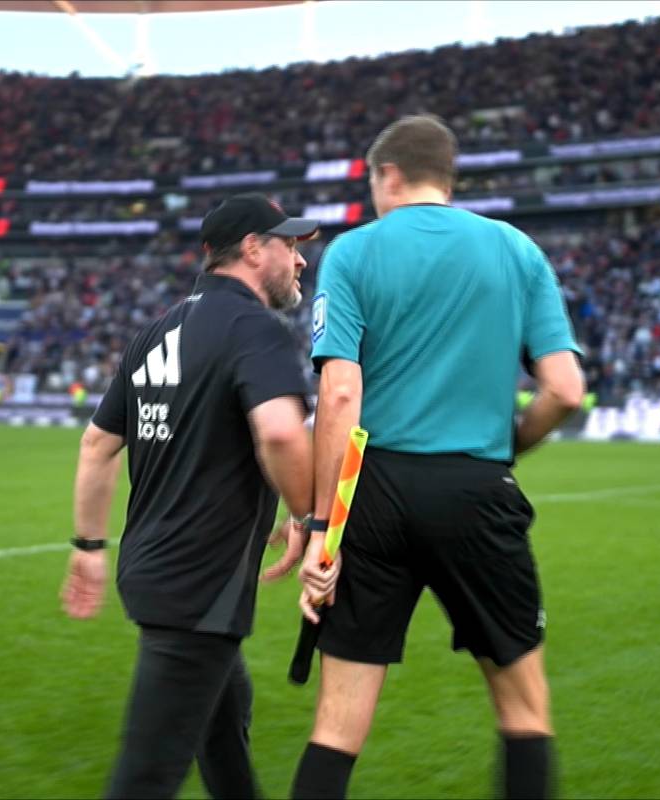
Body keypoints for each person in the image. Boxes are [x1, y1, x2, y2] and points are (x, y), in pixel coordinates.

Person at [292, 115, 585, 800]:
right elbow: (565, 390)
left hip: (374, 495)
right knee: (524, 711)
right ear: (444, 177)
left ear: (387, 174)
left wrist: (318, 528)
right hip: (477, 486)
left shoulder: (355, 252)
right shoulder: (516, 249)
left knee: (337, 728)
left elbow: (338, 395)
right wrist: (506, 446)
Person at [59, 193, 322, 799]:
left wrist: (89, 545)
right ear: (253, 248)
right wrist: (307, 516)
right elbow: (281, 431)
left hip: (155, 569)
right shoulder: (254, 327)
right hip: (198, 584)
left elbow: (97, 444)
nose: (301, 260)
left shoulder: (154, 332)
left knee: (225, 725)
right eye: (289, 244)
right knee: (147, 776)